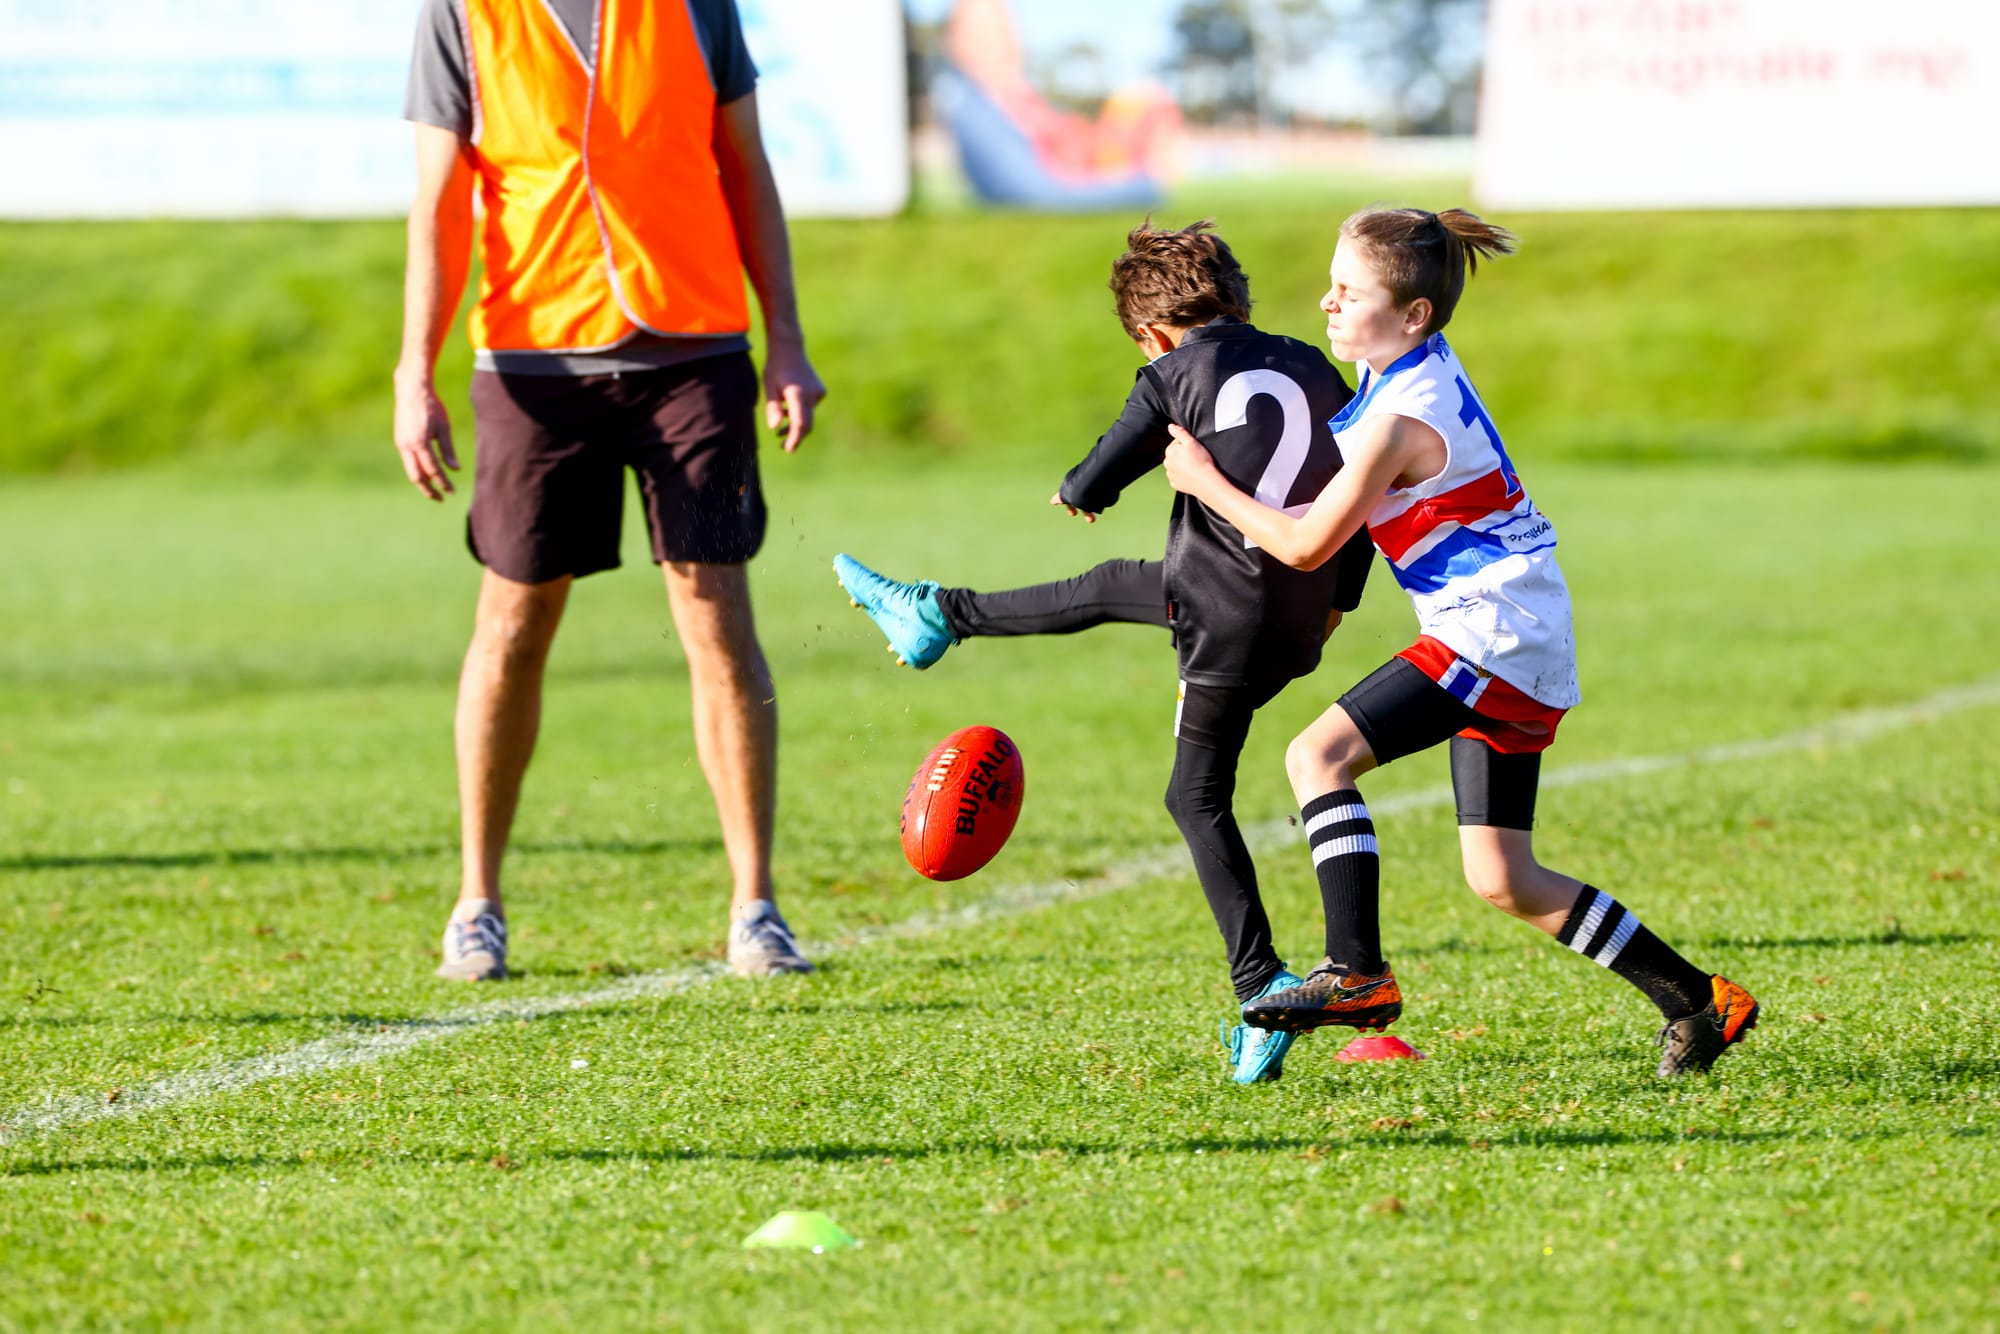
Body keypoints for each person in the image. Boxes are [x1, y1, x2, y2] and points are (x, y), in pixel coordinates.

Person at [1161, 207, 1759, 1076]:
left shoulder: (1402, 420)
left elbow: (1301, 544)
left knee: (1317, 757)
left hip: (1493, 632)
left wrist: (1203, 480)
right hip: (1516, 630)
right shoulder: (1405, 373)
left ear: (1414, 316)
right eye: (1331, 282)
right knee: (1504, 878)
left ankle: (1356, 971)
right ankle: (1701, 1001)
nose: (1326, 302)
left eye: (1350, 292)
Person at [835, 221, 1376, 1082]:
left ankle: (1259, 985)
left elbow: (1100, 473)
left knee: (1194, 797)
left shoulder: (1170, 369)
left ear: (1150, 333)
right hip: (1300, 612)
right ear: (1238, 301)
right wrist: (1340, 603)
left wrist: (1076, 488)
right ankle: (936, 613)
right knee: (1111, 586)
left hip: (1225, 607)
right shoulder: (1314, 362)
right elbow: (1361, 491)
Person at [392, 0, 827, 981]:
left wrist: (785, 339)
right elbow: (437, 200)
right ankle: (477, 902)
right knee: (512, 620)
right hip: (531, 360)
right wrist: (413, 374)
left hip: (695, 351)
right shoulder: (460, 13)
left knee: (715, 615)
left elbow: (746, 168)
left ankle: (755, 904)